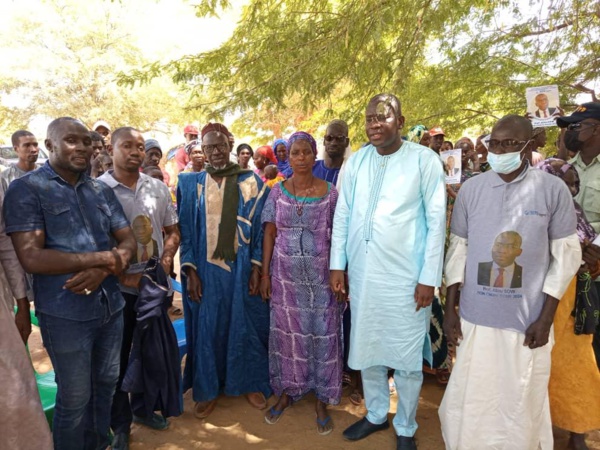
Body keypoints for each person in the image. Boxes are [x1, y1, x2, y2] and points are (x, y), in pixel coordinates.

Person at [440, 115, 581, 450]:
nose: (499, 150)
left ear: (529, 144)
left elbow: (566, 258)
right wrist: (450, 311)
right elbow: (458, 252)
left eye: (509, 144)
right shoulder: (471, 190)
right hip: (477, 319)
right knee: (472, 399)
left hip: (527, 323)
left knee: (521, 401)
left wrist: (545, 318)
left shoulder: (552, 189)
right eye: (494, 143)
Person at [3, 117, 137, 450]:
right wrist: (105, 259)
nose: (82, 147)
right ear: (50, 146)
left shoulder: (100, 189)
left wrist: (104, 270)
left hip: (111, 307)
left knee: (106, 385)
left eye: (86, 141)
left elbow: (129, 240)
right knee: (75, 398)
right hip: (66, 315)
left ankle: (98, 444)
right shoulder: (26, 189)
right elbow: (32, 257)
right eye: (70, 141)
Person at [330, 94, 446, 450]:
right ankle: (377, 414)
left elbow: (436, 220)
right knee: (369, 347)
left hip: (408, 278)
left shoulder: (424, 161)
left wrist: (429, 277)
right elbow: (343, 214)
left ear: (401, 119)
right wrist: (338, 264)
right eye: (369, 119)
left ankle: (407, 426)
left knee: (407, 355)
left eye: (383, 117)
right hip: (364, 275)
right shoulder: (357, 162)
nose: (374, 124)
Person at [177, 122, 271, 420]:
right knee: (209, 327)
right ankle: (208, 388)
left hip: (242, 268)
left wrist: (257, 267)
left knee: (244, 323)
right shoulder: (190, 185)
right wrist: (190, 271)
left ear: (230, 144)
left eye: (219, 146)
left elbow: (258, 231)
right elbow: (186, 231)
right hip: (205, 271)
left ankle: (249, 382)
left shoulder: (252, 182)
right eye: (208, 148)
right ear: (201, 151)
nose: (214, 152)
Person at [99, 126, 180, 449]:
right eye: (127, 146)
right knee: (116, 359)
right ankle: (120, 425)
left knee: (150, 353)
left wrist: (168, 256)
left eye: (139, 146)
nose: (135, 152)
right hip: (115, 290)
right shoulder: (98, 190)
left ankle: (144, 409)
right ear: (112, 148)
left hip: (153, 287)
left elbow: (173, 231)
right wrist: (120, 277)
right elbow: (93, 245)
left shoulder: (157, 188)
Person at [261, 131, 343, 436]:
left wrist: (339, 272)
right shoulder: (277, 192)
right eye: (295, 153)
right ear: (288, 157)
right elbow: (269, 233)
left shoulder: (331, 193)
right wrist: (266, 274)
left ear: (314, 154)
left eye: (307, 152)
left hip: (321, 282)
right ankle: (288, 392)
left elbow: (339, 236)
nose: (301, 158)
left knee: (322, 335)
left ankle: (322, 398)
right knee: (289, 337)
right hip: (285, 280)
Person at [535, 158, 600, 450]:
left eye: (575, 183)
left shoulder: (575, 214)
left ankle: (577, 429)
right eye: (568, 182)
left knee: (576, 362)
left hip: (571, 299)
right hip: (537, 297)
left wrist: (591, 255)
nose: (572, 189)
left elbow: (588, 246)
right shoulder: (532, 210)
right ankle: (537, 423)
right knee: (536, 362)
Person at [557, 102, 600, 368]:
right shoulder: (564, 169)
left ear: (596, 128)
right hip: (569, 276)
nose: (570, 132)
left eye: (576, 126)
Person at [313, 119, 350, 187]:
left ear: (347, 142)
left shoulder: (351, 171)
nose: (333, 143)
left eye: (339, 138)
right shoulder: (312, 168)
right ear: (324, 141)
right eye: (329, 138)